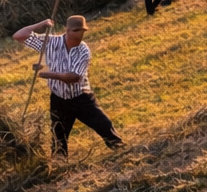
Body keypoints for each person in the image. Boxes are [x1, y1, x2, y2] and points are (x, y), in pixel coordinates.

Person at [12, 15, 123, 157]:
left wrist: (48, 74)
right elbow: (19, 36)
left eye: (82, 31)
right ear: (67, 30)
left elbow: (74, 77)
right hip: (59, 99)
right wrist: (41, 24)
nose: (79, 34)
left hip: (81, 97)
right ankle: (59, 163)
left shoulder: (84, 51)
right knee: (59, 138)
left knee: (104, 125)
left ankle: (121, 150)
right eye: (76, 30)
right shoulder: (51, 42)